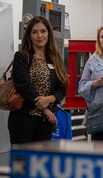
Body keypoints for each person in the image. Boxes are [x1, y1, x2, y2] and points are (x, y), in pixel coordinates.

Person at [7, 16, 67, 145]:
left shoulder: (55, 58)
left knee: (40, 161)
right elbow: (23, 85)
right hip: (23, 118)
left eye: (43, 31)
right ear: (29, 36)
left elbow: (62, 88)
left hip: (45, 121)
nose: (39, 35)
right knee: (22, 162)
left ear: (49, 34)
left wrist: (50, 99)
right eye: (34, 32)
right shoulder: (22, 56)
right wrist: (44, 108)